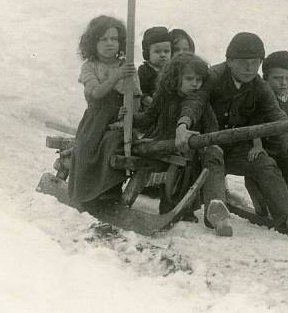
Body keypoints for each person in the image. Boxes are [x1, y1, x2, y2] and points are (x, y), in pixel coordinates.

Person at [174, 32, 288, 244]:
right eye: (243, 63)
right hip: (205, 144)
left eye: (255, 63)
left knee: (264, 162)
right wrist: (183, 125)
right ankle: (217, 212)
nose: (249, 68)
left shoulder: (259, 85)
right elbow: (195, 102)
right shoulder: (213, 76)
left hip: (237, 148)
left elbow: (279, 120)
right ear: (229, 61)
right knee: (213, 157)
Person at [129, 53, 225, 228]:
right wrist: (131, 119)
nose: (195, 84)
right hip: (162, 142)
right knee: (165, 162)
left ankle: (180, 208)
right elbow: (149, 117)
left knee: (187, 167)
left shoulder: (199, 102)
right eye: (189, 79)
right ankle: (167, 206)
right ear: (175, 78)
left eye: (199, 79)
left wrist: (208, 144)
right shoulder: (164, 96)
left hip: (189, 146)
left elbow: (212, 126)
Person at [68, 15, 141, 209]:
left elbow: (136, 97)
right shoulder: (89, 67)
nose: (110, 43)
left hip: (120, 120)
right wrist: (116, 76)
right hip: (95, 119)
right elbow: (97, 93)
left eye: (114, 39)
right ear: (93, 42)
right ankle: (86, 193)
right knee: (86, 148)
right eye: (103, 39)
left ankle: (109, 191)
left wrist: (129, 112)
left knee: (113, 144)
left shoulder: (126, 66)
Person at [245, 50, 288, 217]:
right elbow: (254, 122)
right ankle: (262, 203)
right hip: (265, 146)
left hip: (282, 147)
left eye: (287, 79)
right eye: (277, 78)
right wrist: (257, 145)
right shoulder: (263, 97)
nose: (283, 83)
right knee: (265, 169)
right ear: (266, 78)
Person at [138, 26, 172, 109]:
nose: (163, 55)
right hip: (150, 107)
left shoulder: (172, 69)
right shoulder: (144, 70)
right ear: (147, 53)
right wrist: (150, 102)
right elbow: (141, 92)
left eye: (166, 51)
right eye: (157, 51)